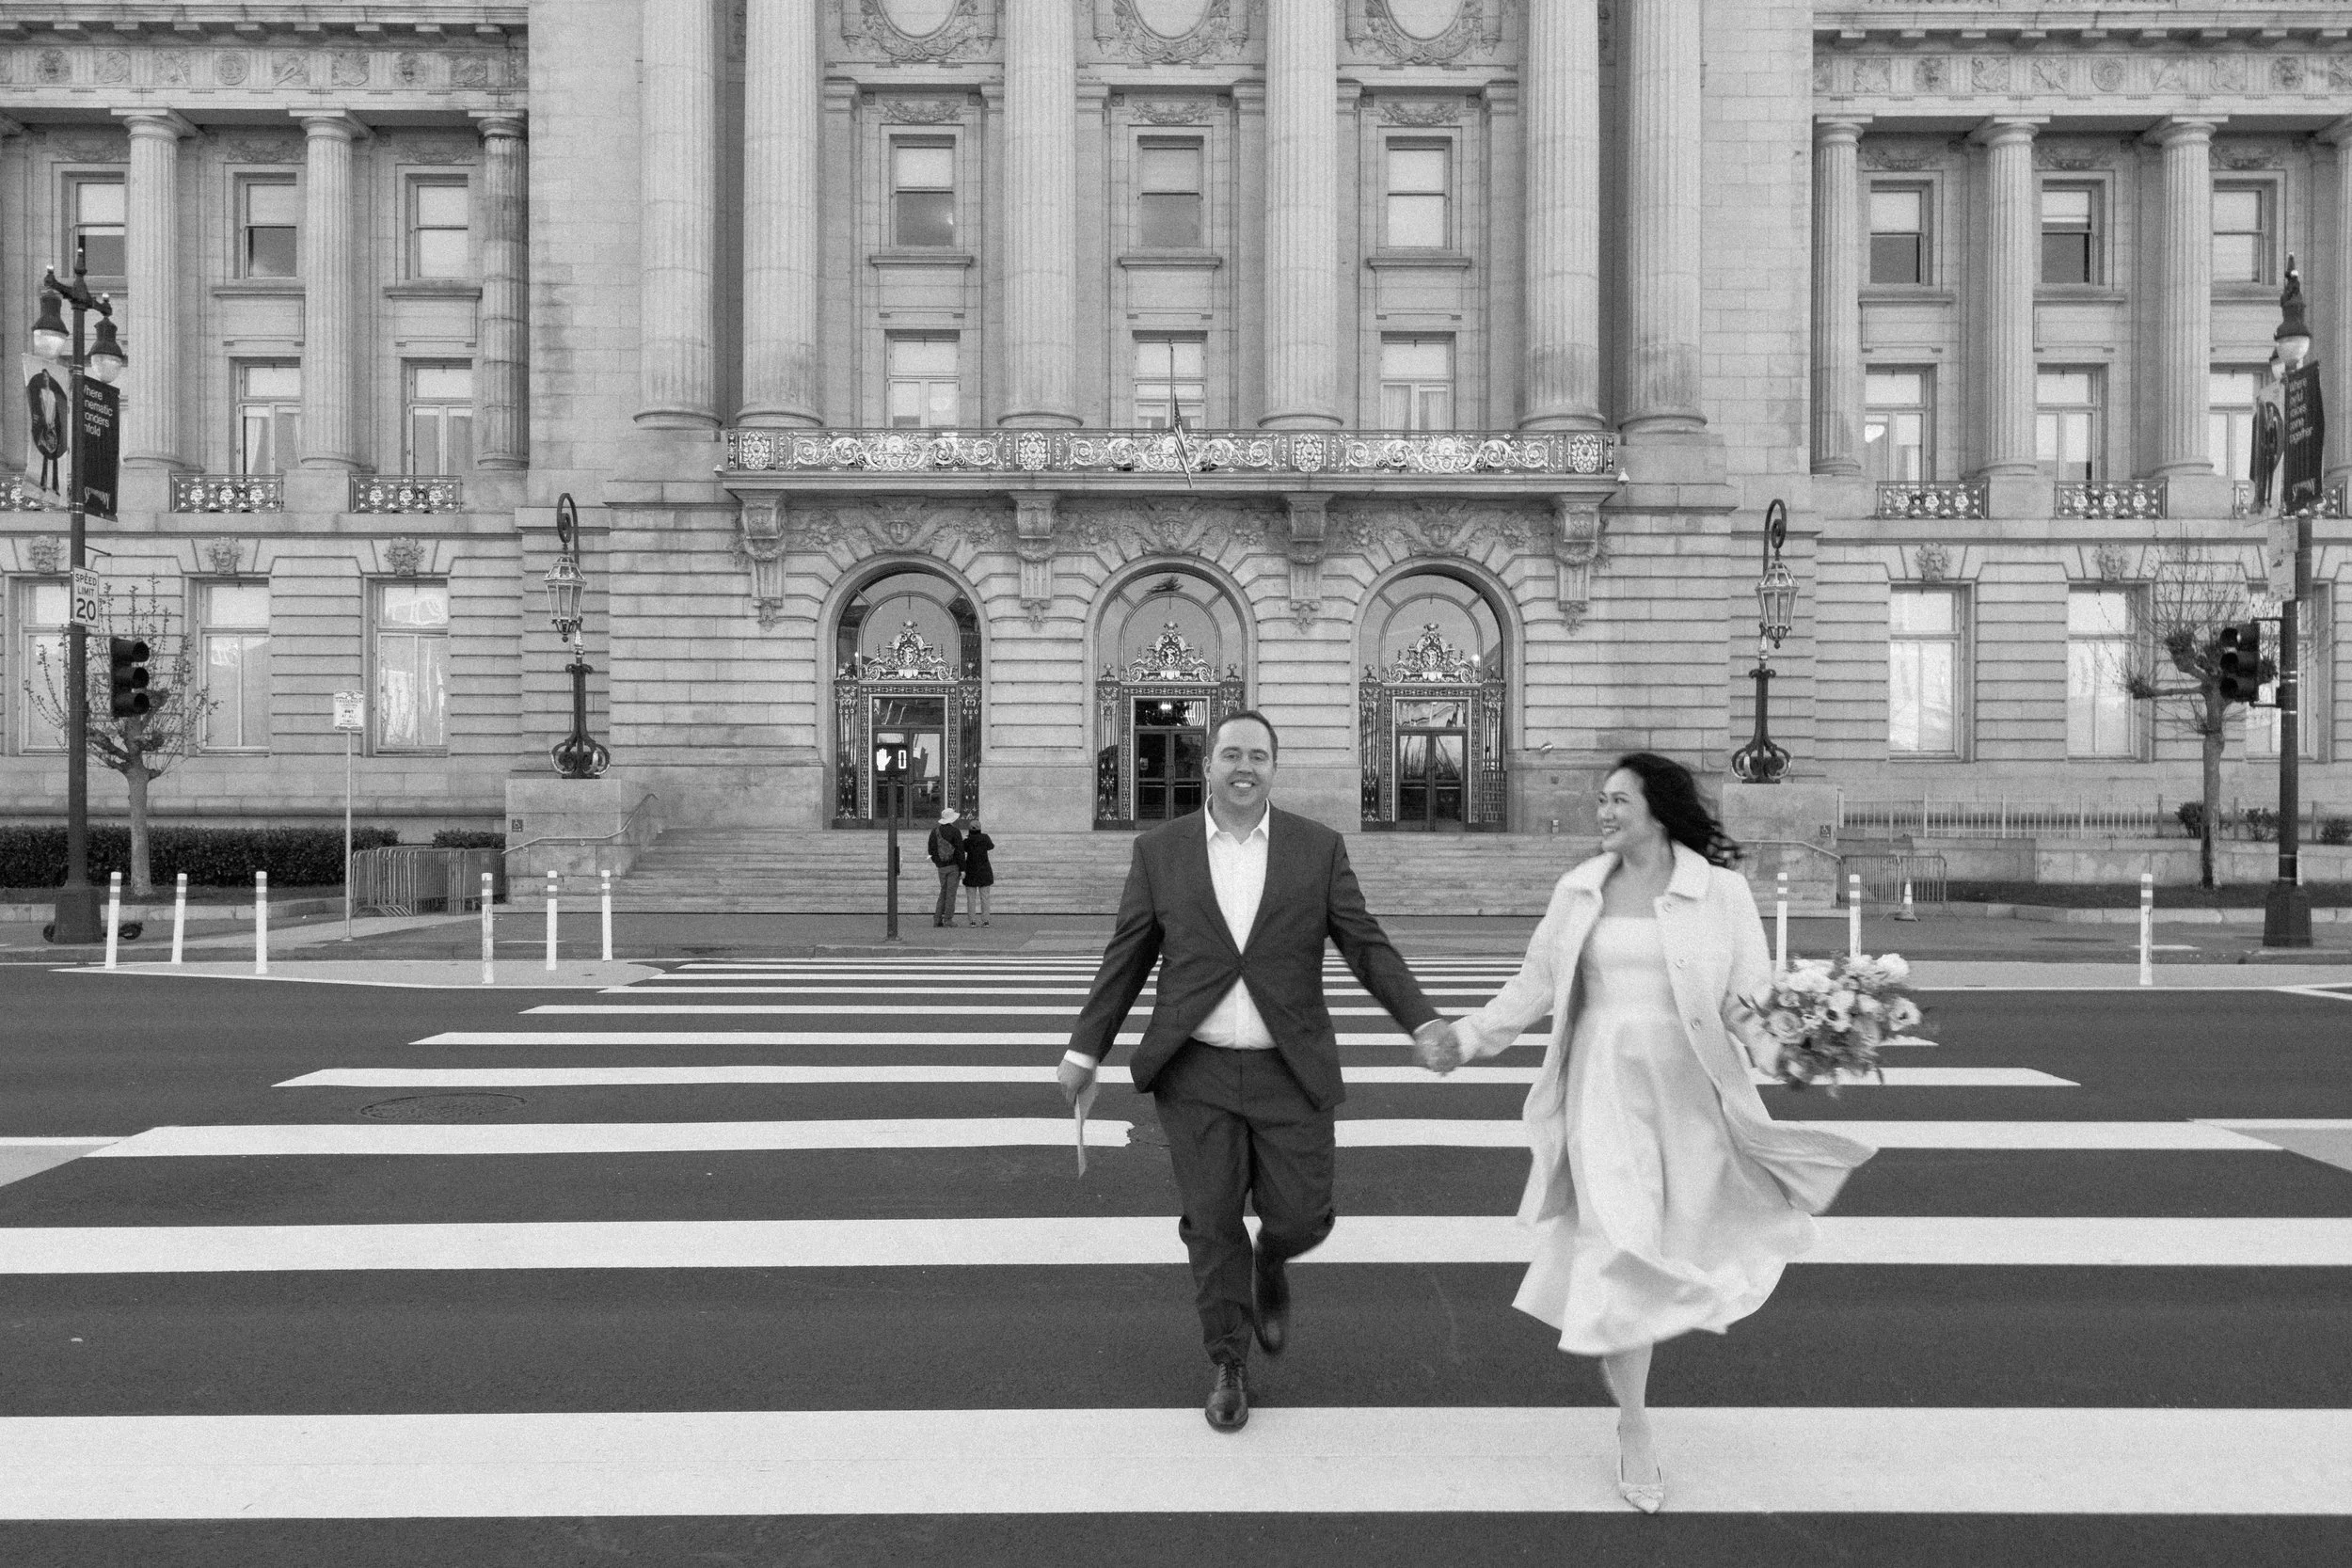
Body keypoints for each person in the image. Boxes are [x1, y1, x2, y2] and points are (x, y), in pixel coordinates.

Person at [1421, 752, 1875, 1513]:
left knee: (1683, 1231)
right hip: (1602, 1084)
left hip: (1689, 1087)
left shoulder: (1719, 890)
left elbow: (1747, 999)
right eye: (1601, 800)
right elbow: (1534, 984)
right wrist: (1466, 1037)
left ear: (1658, 809)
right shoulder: (1578, 889)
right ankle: (1634, 1424)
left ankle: (1659, 1343)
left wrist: (1791, 1045)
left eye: (1618, 801)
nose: (1603, 812)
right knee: (1622, 1243)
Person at [1059, 710, 1453, 1433]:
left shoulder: (1317, 848)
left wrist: (1422, 1019)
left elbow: (1367, 945)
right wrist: (1086, 1051)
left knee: (1301, 1214)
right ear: (1208, 763)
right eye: (1232, 753)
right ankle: (1228, 1361)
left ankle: (1273, 1258)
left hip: (1288, 1069)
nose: (1245, 766)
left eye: (1259, 755)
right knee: (1211, 1226)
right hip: (1196, 1072)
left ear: (1275, 767)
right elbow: (1128, 956)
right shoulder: (1161, 850)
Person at [925, 808, 963, 928]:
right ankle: (948, 919)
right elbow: (960, 852)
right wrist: (963, 869)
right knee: (951, 893)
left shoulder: (935, 831)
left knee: (943, 892)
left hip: (941, 867)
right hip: (953, 866)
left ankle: (937, 918)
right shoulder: (955, 831)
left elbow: (931, 850)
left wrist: (937, 862)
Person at [960, 816, 995, 926]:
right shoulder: (985, 838)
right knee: (985, 897)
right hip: (984, 870)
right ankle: (985, 920)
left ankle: (972, 921)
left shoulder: (967, 841)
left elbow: (962, 849)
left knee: (971, 898)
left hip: (970, 870)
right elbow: (991, 846)